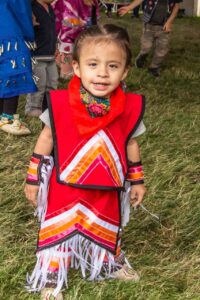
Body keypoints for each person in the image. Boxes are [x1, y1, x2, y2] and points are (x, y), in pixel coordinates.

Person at [24, 24, 146, 300]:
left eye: (113, 66)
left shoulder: (130, 107)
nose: (102, 73)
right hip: (65, 189)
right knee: (59, 229)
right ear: (76, 67)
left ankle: (106, 261)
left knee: (107, 226)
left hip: (107, 190)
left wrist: (137, 180)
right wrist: (34, 177)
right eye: (93, 64)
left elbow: (130, 143)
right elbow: (46, 139)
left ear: (125, 71)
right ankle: (53, 273)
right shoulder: (59, 104)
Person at [0, 0, 37, 135]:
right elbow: (21, 9)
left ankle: (3, 116)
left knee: (4, 71)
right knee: (13, 71)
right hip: (9, 30)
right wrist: (28, 33)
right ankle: (8, 117)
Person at [119, 0, 182, 77]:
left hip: (164, 27)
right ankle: (142, 56)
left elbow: (176, 6)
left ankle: (154, 68)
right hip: (149, 25)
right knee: (146, 47)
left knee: (162, 49)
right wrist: (129, 7)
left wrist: (170, 21)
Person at [25, 0, 58, 117]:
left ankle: (47, 106)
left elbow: (52, 30)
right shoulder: (30, 7)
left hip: (49, 54)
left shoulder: (50, 8)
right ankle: (32, 108)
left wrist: (56, 45)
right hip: (37, 54)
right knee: (39, 83)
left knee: (52, 82)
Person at [52, 0, 99, 79]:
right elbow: (66, 23)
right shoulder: (71, 2)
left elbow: (95, 21)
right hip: (68, 37)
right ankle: (59, 61)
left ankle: (60, 60)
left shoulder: (94, 2)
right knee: (66, 76)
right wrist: (80, 23)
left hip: (84, 37)